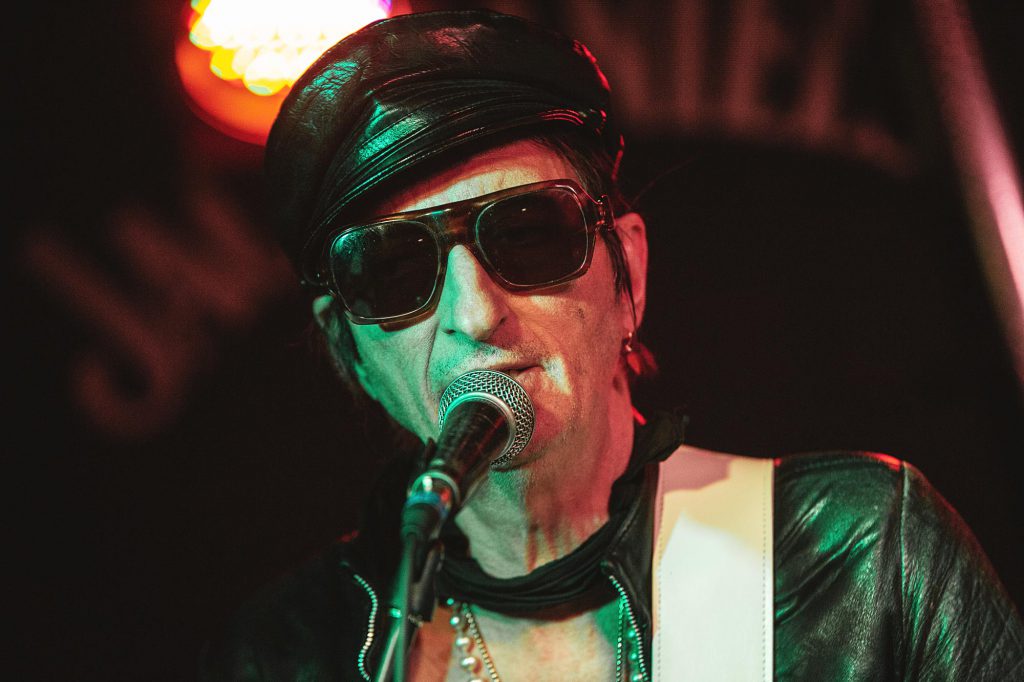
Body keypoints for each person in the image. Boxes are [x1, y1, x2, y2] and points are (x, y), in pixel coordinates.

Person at [200, 9, 1024, 681]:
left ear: (626, 271)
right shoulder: (289, 653)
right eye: (395, 272)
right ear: (348, 350)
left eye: (527, 234)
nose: (475, 314)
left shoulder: (863, 554)